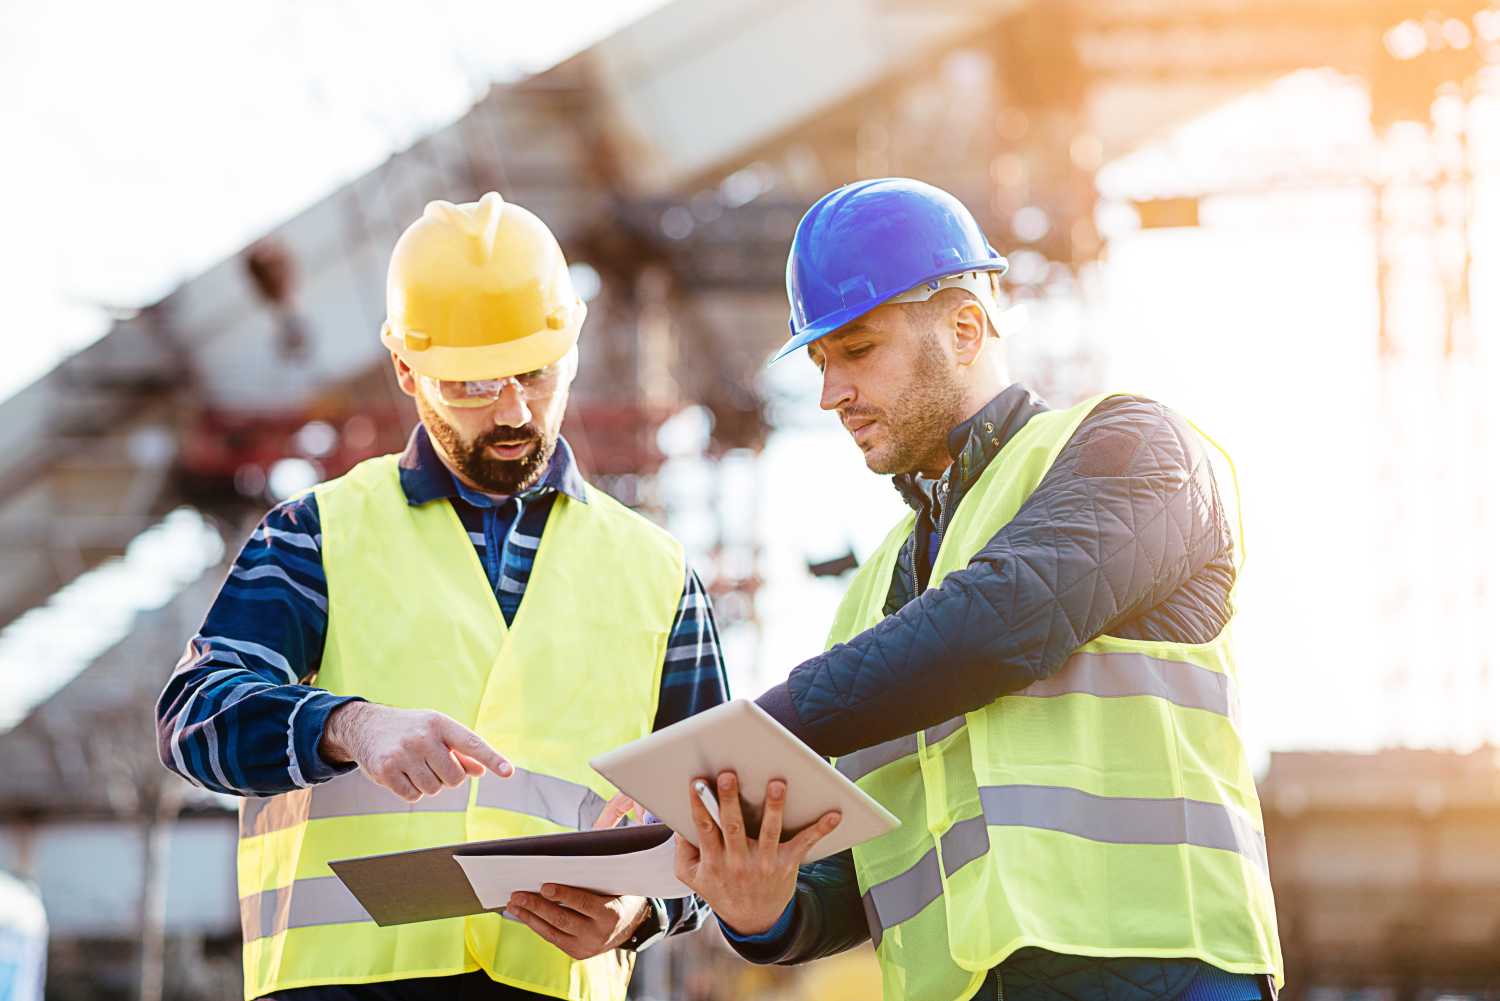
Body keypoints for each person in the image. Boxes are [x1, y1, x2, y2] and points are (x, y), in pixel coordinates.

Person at [675, 178, 1284, 1001]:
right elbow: (871, 859)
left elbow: (997, 622)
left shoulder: (1137, 450)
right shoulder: (876, 595)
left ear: (965, 328)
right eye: (821, 362)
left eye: (857, 350)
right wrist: (766, 908)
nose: (831, 394)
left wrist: (748, 734)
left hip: (1161, 977)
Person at [156, 192, 730, 1001]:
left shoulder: (659, 572)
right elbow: (193, 716)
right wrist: (348, 724)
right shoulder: (317, 535)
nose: (512, 411)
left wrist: (643, 910)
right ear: (406, 371)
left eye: (534, 373)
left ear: (571, 345)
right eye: (471, 385)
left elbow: (713, 814)